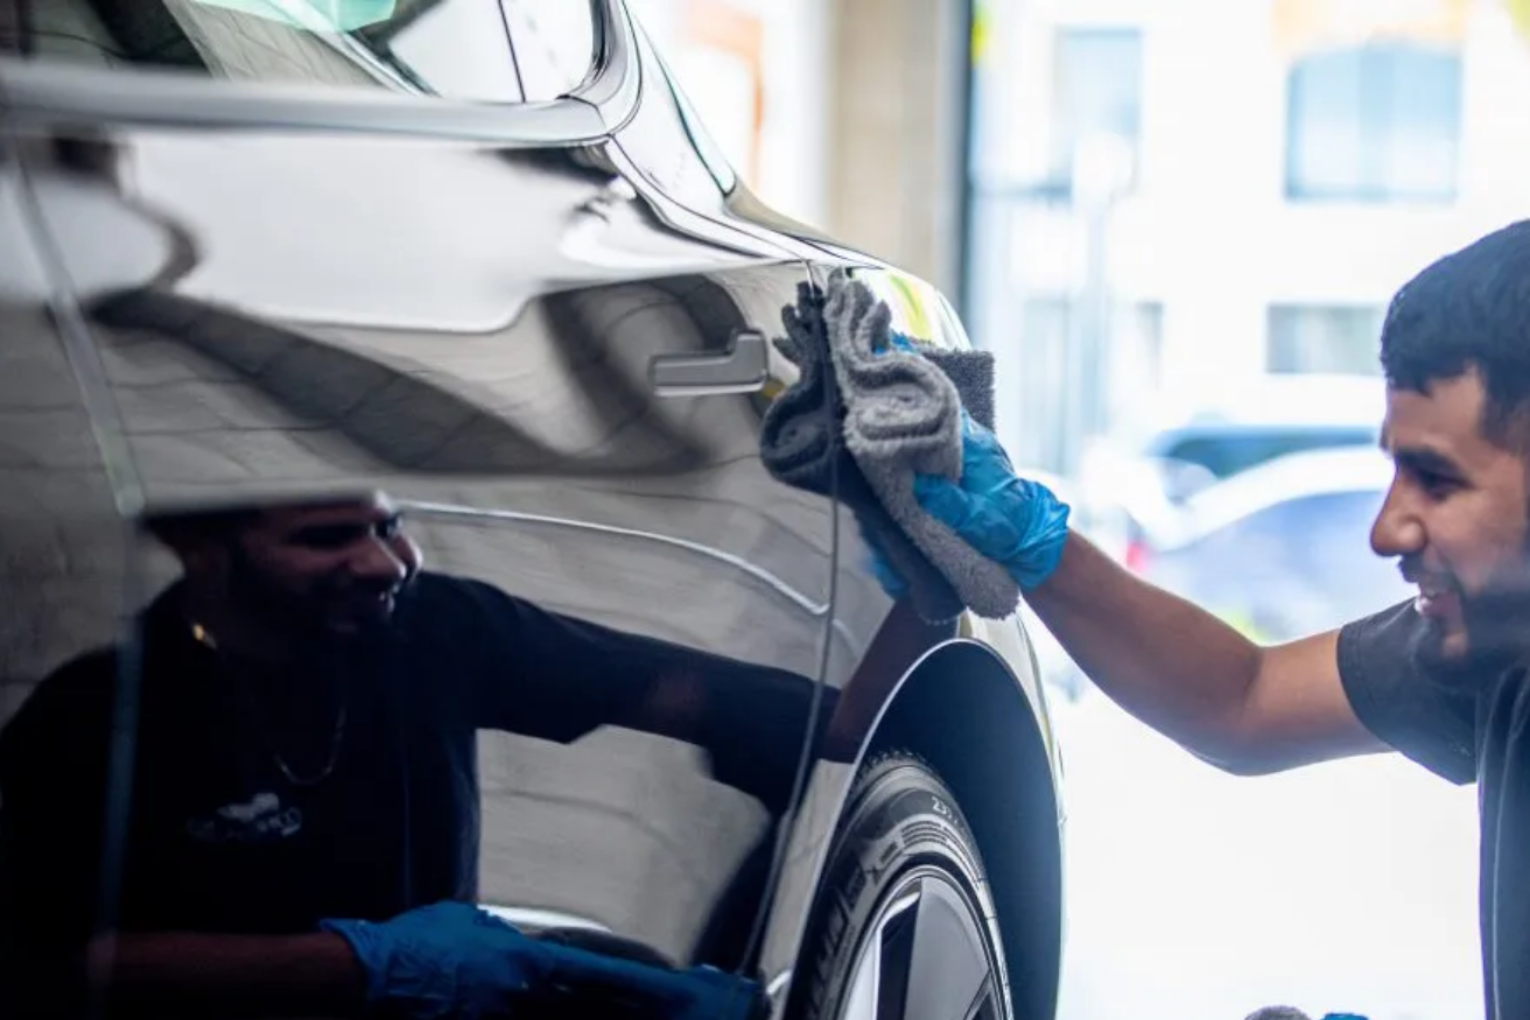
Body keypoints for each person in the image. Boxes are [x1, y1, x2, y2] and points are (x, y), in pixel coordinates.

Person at [903, 219, 1530, 1020]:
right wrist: (1029, 537)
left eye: (1438, 481)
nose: (1386, 531)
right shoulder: (1502, 651)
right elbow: (1246, 699)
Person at [0, 493, 818, 1019]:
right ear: (196, 544)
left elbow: (745, 707)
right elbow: (42, 971)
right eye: (327, 538)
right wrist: (360, 967)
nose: (385, 563)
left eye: (389, 526)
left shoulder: (435, 629)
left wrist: (928, 564)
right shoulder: (96, 714)